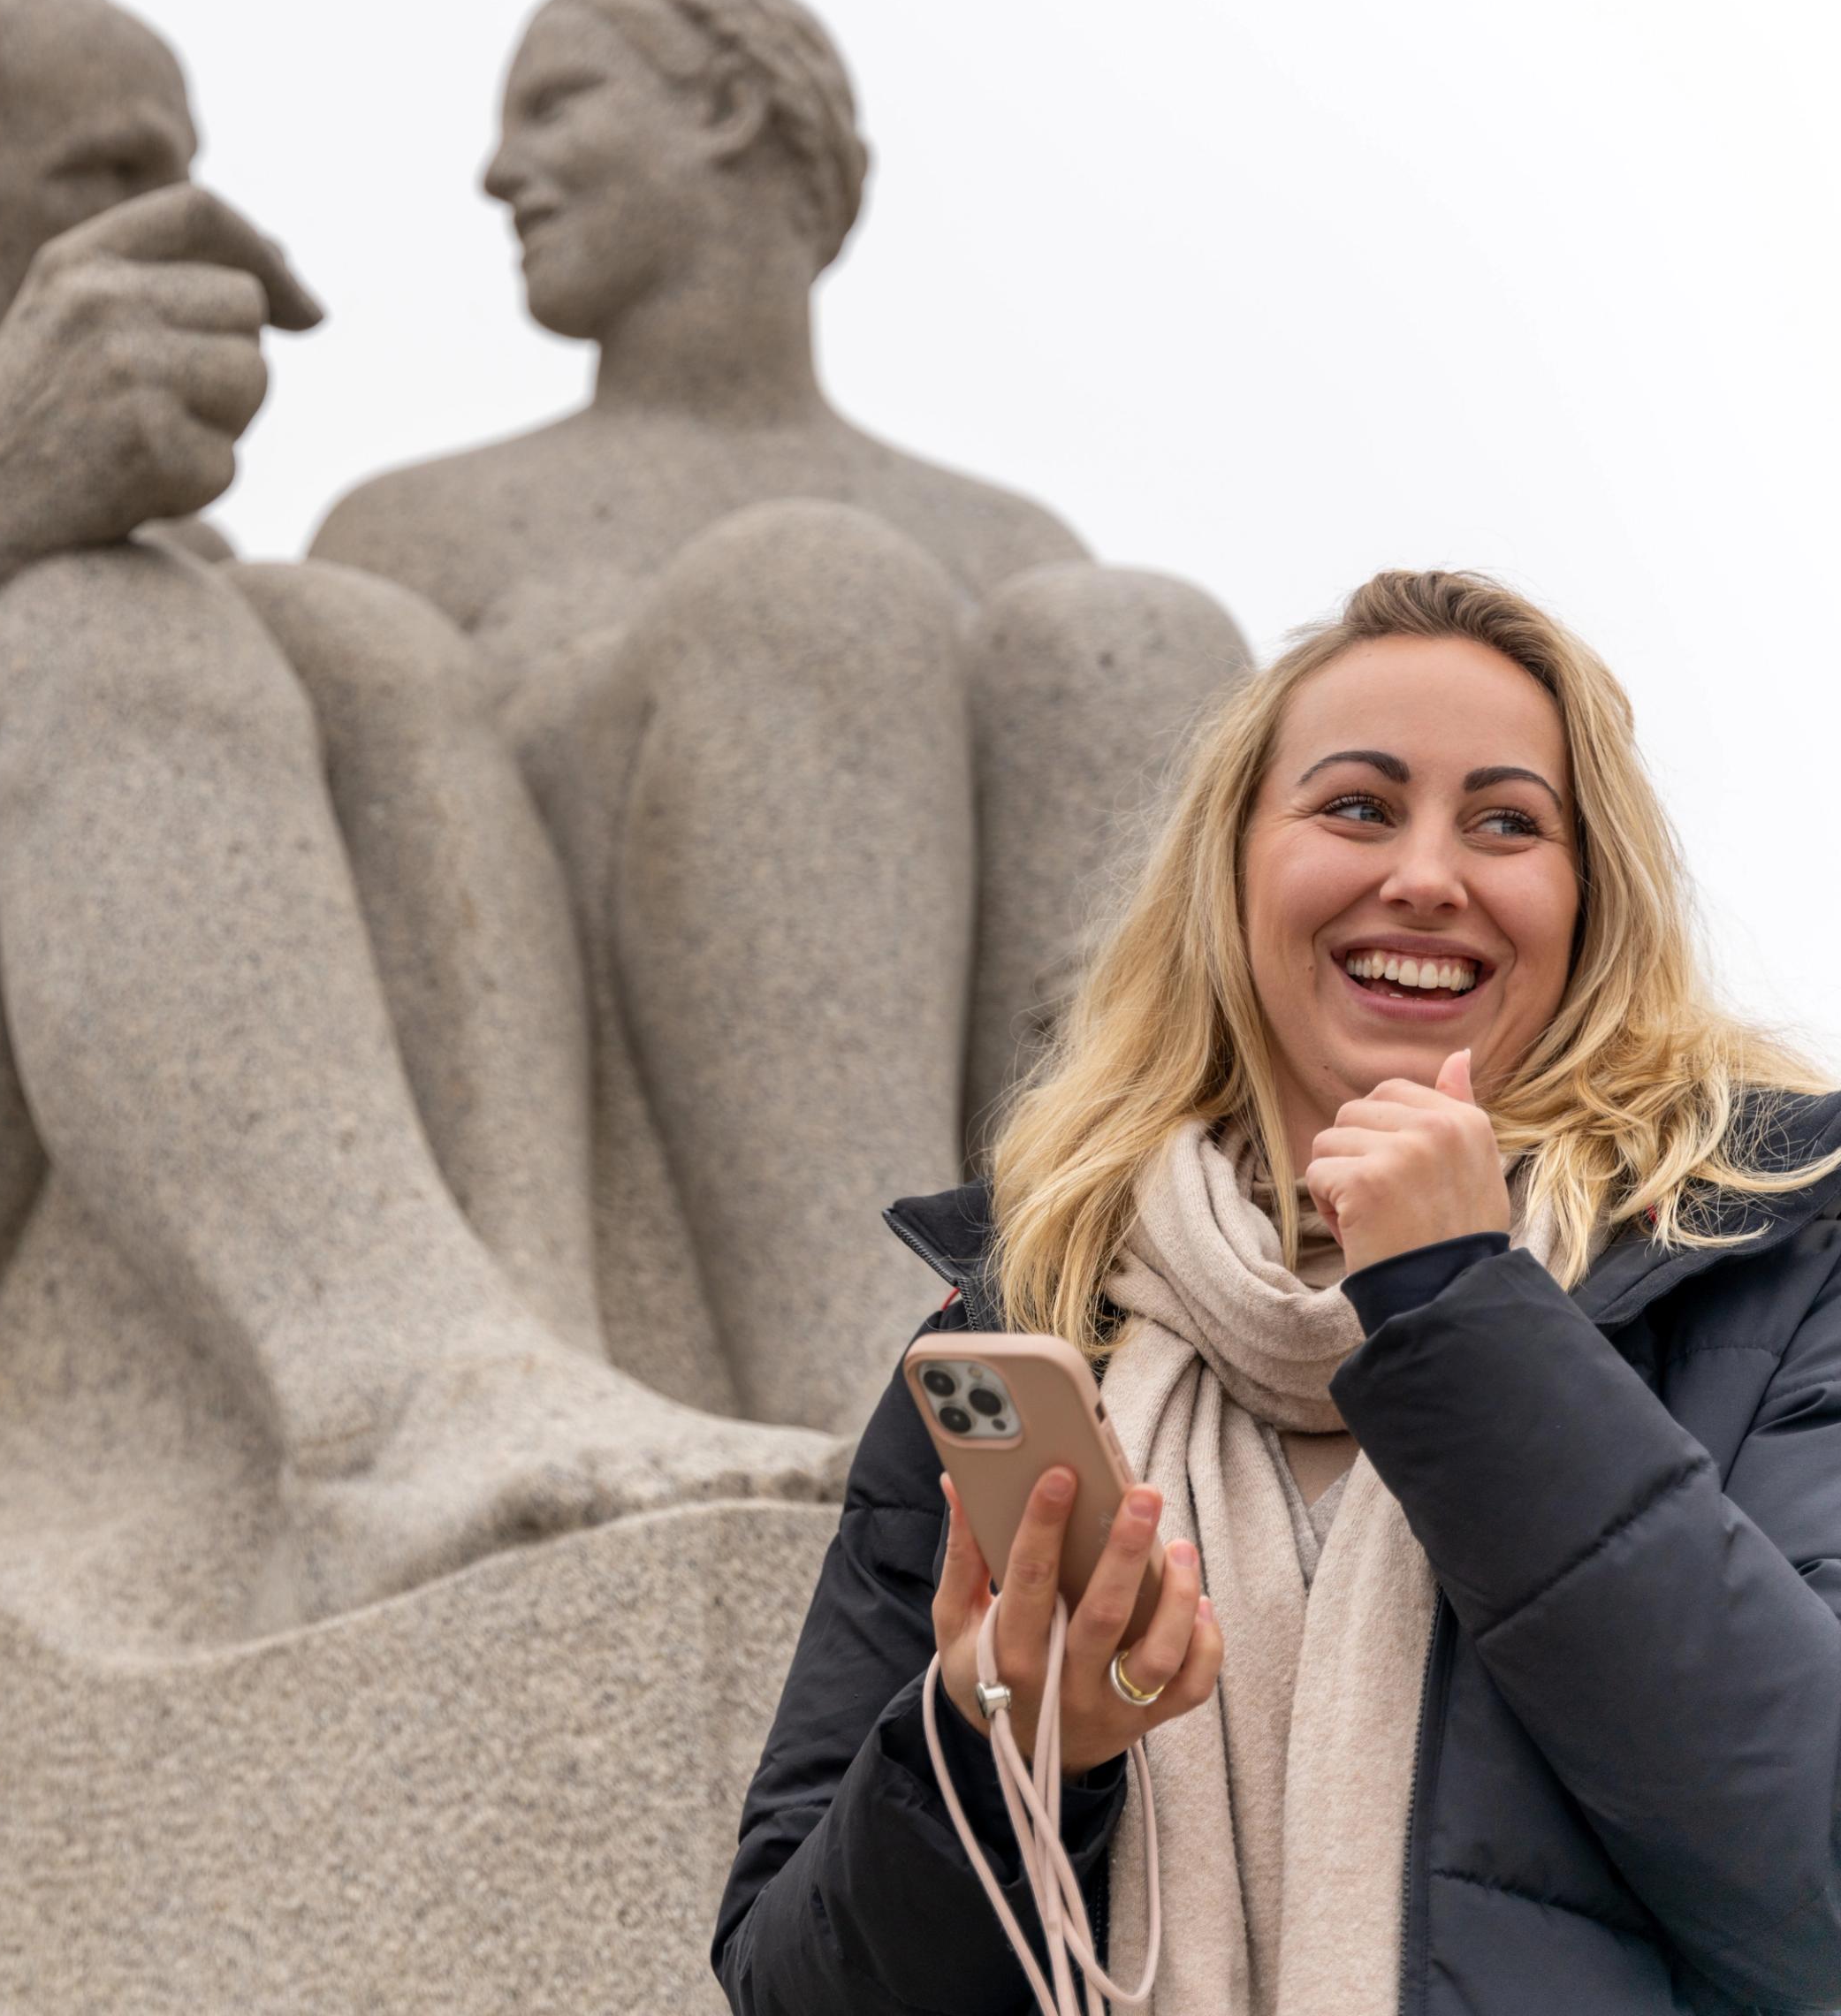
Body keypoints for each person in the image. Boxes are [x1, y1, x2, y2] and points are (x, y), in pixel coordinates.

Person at [0, 0, 839, 1638]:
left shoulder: (182, 577)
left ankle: (526, 1350)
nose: (164, 231)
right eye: (105, 177)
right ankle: (386, 1406)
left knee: (352, 638)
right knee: (98, 633)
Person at [714, 568, 1841, 2013]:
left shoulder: (1770, 1262)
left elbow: (1811, 1886)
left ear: (1588, 900)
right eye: (1359, 807)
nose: (1428, 874)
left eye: (1507, 822)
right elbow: (793, 1994)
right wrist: (1015, 1747)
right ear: (1236, 872)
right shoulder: (1032, 1319)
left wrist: (1463, 1313)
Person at [307, 0, 1249, 1433]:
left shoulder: (1012, 547)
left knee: (1130, 634)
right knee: (809, 585)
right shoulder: (412, 530)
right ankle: (880, 1374)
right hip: (629, 1220)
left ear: (731, 111)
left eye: (556, 104)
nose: (502, 172)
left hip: (1071, 1246)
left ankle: (1161, 1328)